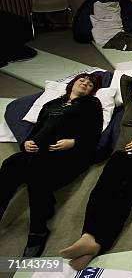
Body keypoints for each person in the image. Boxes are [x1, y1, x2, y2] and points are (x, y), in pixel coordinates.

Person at [60, 72, 132, 270]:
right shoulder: (131, 104)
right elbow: (124, 79)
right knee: (100, 192)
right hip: (119, 155)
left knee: (123, 196)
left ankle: (98, 244)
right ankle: (87, 236)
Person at [0, 73, 103, 257]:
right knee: (10, 163)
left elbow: (95, 134)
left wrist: (74, 142)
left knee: (36, 170)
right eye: (82, 80)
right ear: (72, 84)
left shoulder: (92, 105)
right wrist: (26, 142)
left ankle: (38, 229)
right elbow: (37, 129)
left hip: (67, 156)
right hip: (36, 153)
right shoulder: (51, 104)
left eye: (90, 84)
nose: (86, 83)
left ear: (92, 91)